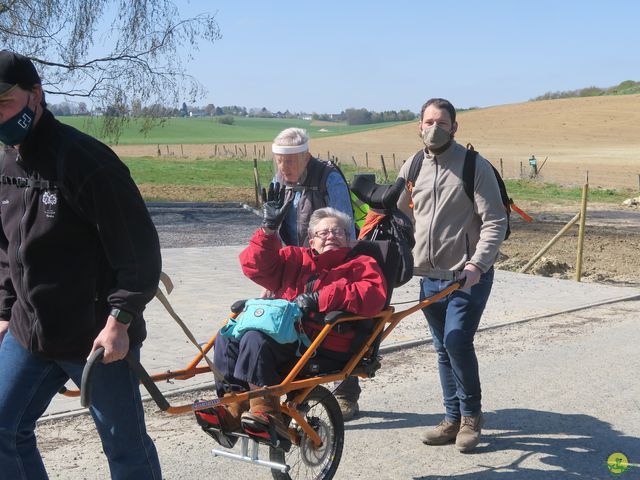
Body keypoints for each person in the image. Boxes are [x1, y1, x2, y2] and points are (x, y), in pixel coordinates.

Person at [0, 50, 162, 479]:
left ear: (36, 94)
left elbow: (140, 252)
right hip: (29, 330)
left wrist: (120, 321)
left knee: (124, 449)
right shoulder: (7, 164)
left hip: (95, 334)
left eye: (4, 102)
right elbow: (6, 247)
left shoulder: (86, 161)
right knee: (3, 428)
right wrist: (3, 311)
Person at [208, 200, 387, 448]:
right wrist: (269, 231)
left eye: (338, 232)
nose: (330, 236)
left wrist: (320, 298)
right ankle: (232, 407)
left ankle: (266, 411)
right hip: (286, 336)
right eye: (322, 232)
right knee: (228, 336)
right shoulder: (295, 257)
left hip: (323, 341)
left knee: (254, 337)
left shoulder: (360, 264)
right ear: (311, 240)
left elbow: (372, 296)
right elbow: (256, 267)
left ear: (349, 240)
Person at [396, 98, 507, 453]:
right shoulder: (413, 164)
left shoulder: (474, 166)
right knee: (443, 348)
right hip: (428, 274)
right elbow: (395, 208)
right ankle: (451, 419)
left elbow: (494, 221)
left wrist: (477, 264)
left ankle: (472, 417)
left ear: (455, 128)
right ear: (419, 125)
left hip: (467, 273)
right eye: (428, 121)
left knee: (457, 340)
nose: (434, 128)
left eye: (442, 123)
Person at [270, 127, 362, 419]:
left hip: (331, 259)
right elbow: (274, 225)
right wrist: (275, 276)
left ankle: (347, 393)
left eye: (291, 161)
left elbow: (344, 227)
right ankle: (302, 391)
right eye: (280, 161)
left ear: (307, 156)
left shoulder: (328, 178)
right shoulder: (281, 180)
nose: (285, 168)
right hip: (296, 260)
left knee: (336, 324)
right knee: (294, 325)